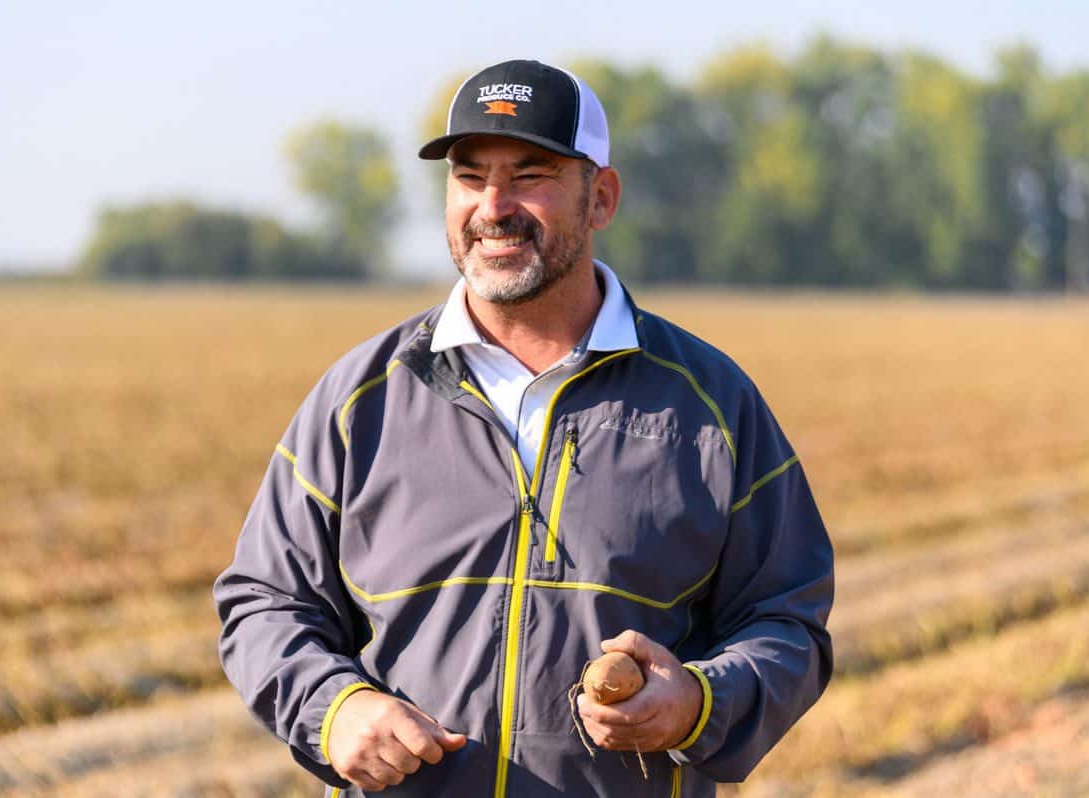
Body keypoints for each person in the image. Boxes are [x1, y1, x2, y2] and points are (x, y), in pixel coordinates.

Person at [214, 58, 833, 797]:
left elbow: (787, 622)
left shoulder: (709, 405)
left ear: (600, 198)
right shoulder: (365, 396)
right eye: (470, 178)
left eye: (530, 176)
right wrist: (335, 709)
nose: (493, 206)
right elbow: (264, 601)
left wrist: (699, 702)